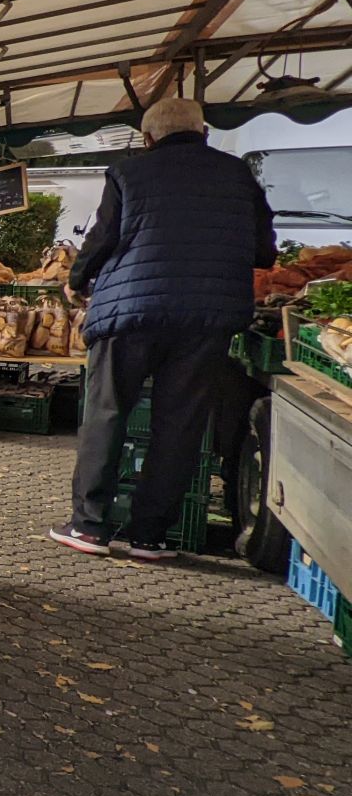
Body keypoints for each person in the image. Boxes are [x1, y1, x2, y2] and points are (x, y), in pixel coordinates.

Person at [49, 98, 275, 561]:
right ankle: (149, 536)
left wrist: (76, 281)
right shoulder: (238, 176)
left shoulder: (129, 173)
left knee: (107, 412)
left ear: (148, 138)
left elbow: (101, 238)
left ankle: (89, 527)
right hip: (207, 317)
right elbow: (263, 252)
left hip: (130, 309)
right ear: (205, 133)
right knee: (181, 423)